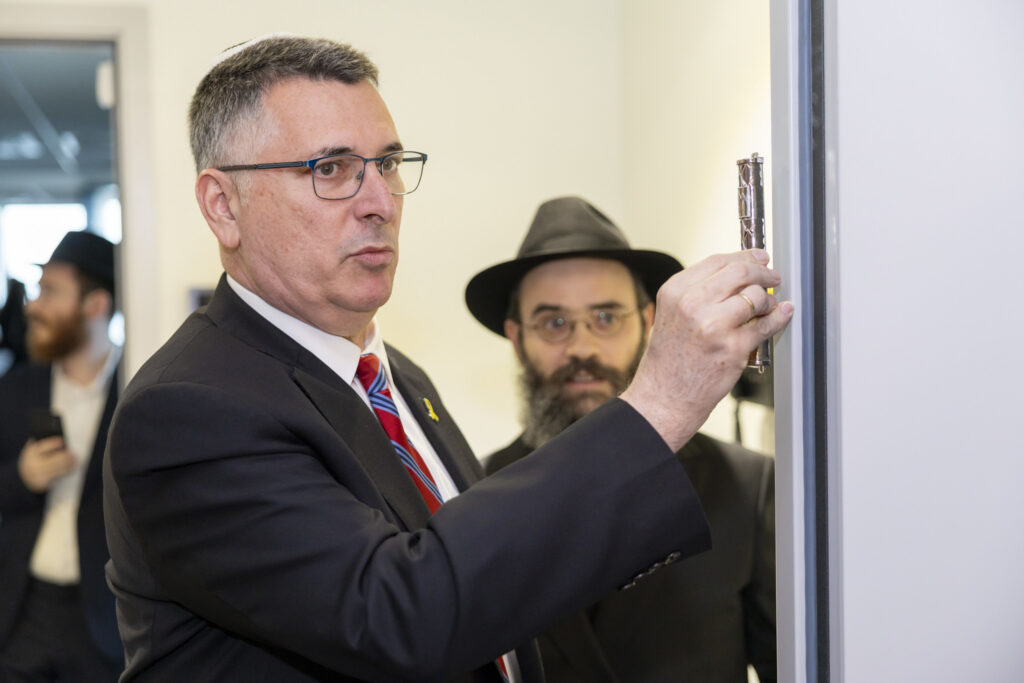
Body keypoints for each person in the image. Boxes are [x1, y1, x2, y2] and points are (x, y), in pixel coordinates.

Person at [102, 35, 792, 682]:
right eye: (332, 169)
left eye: (389, 164)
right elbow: (401, 611)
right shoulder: (188, 409)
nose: (380, 202)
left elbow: (497, 603)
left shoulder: (391, 373)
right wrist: (660, 402)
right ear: (223, 205)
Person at [465, 196, 776, 683]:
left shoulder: (747, 485)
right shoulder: (473, 494)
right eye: (553, 323)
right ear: (515, 335)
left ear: (649, 321)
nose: (582, 347)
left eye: (606, 317)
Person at [0, 231, 122, 681]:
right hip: (20, 611)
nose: (32, 305)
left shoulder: (139, 392)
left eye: (50, 291)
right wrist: (22, 476)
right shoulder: (14, 388)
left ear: (95, 304)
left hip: (103, 623)